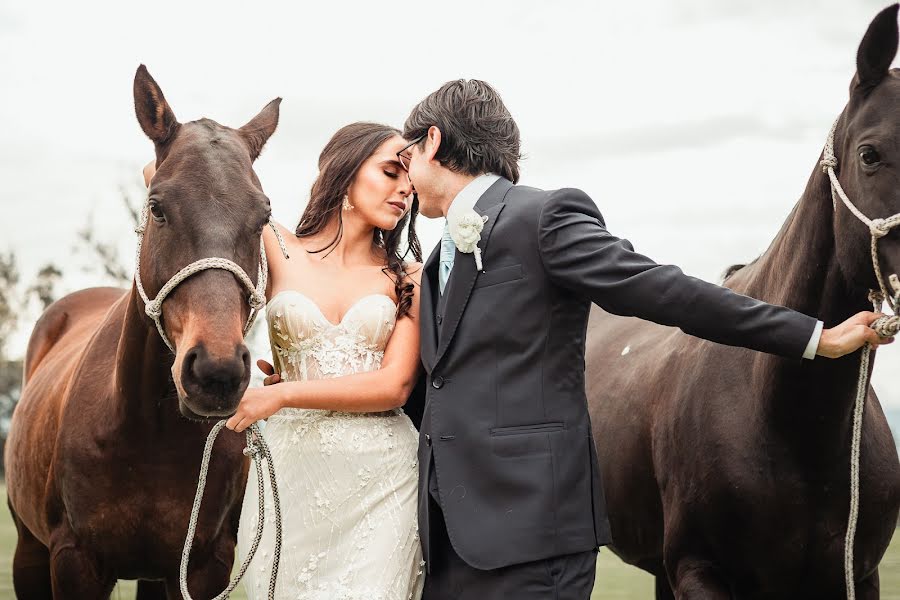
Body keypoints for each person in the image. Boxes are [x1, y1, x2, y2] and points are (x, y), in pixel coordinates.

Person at [398, 79, 893, 600]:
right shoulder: (435, 262)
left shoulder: (543, 217)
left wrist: (812, 335)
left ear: (432, 142)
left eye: (406, 155)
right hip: (450, 539)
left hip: (530, 541)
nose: (405, 174)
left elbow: (664, 292)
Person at [145, 122, 426, 599]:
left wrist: (281, 396)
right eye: (390, 171)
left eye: (411, 181)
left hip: (384, 477)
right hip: (291, 471)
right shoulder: (276, 247)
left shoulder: (409, 277)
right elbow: (163, 174)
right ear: (345, 171)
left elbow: (395, 386)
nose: (404, 189)